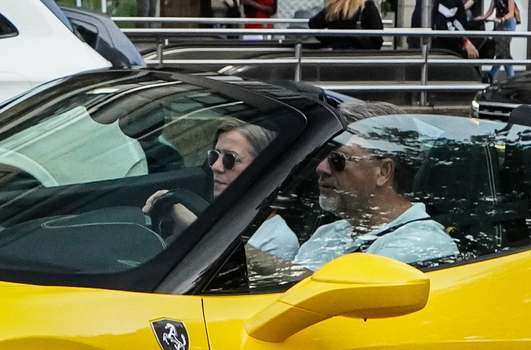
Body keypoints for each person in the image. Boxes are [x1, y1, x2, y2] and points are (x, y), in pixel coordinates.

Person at [251, 110, 461, 271]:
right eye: (321, 156)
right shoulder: (328, 233)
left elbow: (332, 299)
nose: (321, 168)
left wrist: (246, 257)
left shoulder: (421, 243)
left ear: (383, 172)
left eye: (337, 159)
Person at [144, 118, 276, 235]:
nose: (215, 166)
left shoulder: (275, 236)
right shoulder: (222, 208)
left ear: (261, 166)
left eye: (230, 159)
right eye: (215, 155)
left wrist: (195, 225)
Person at [306, 0, 382, 50]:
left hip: (337, 56)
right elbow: (378, 39)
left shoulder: (333, 7)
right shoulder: (367, 6)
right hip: (360, 57)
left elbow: (313, 24)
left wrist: (330, 40)